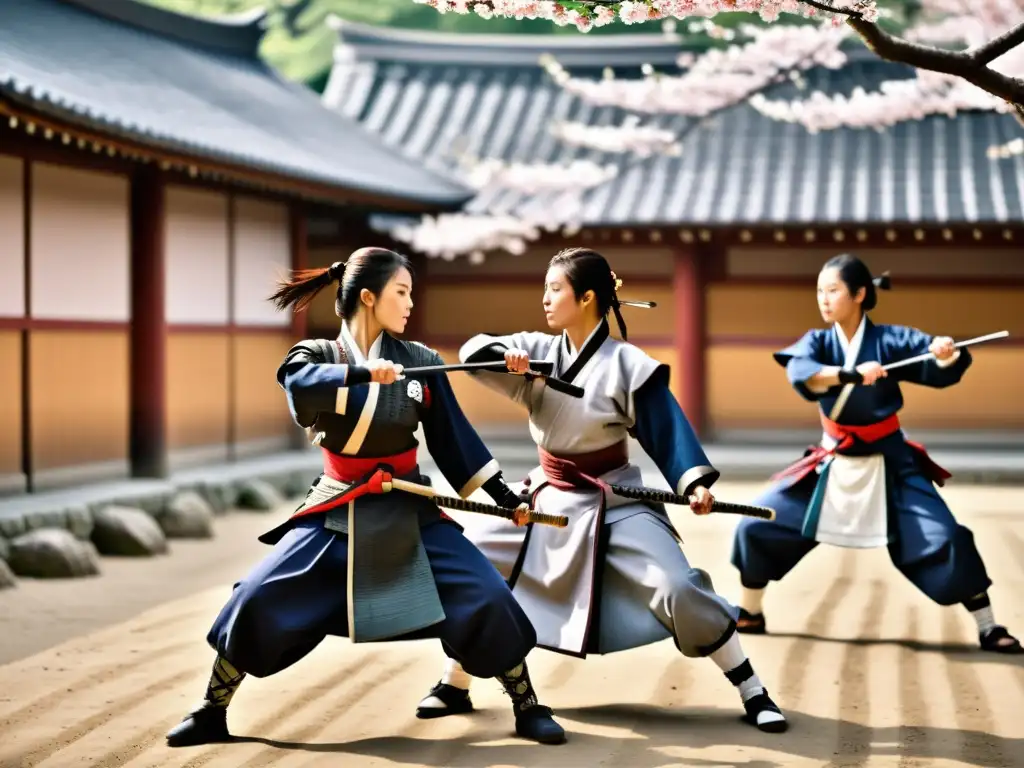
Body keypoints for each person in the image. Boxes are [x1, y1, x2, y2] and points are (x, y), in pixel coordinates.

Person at [165, 247, 566, 748]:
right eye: (402, 292)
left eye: (412, 294)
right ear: (370, 297)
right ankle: (212, 708)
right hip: (339, 506)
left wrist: (505, 496)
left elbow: (454, 441)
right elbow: (299, 385)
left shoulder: (420, 362)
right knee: (257, 596)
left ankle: (526, 703)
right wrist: (360, 374)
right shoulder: (316, 355)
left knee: (483, 592)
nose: (410, 304)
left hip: (408, 506)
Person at [415, 247, 788, 733]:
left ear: (587, 297)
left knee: (676, 587)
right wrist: (507, 359)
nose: (545, 299)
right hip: (547, 497)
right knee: (474, 566)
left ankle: (751, 687)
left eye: (555, 289)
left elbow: (666, 430)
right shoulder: (538, 350)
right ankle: (456, 681)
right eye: (545, 288)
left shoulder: (626, 364)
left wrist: (693, 481)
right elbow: (471, 353)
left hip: (616, 501)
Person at [730, 253, 1021, 655]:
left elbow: (936, 363)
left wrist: (945, 352)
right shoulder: (818, 342)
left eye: (832, 290)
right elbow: (804, 374)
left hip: (891, 462)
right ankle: (750, 612)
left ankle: (988, 626)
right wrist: (850, 373)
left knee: (947, 536)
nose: (823, 299)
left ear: (860, 294)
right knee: (758, 523)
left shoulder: (891, 341)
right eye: (819, 291)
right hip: (831, 461)